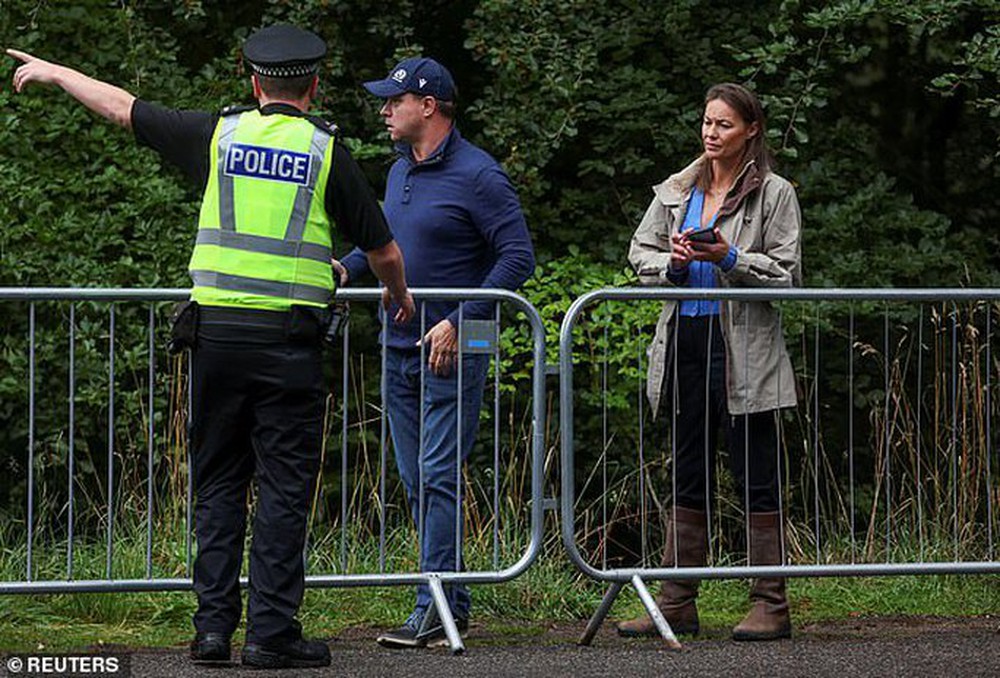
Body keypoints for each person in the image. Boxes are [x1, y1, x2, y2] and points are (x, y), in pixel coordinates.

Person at [8, 24, 415, 668]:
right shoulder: (325, 150)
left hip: (216, 339)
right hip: (289, 343)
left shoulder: (219, 135)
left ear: (254, 83)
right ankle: (270, 635)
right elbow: (384, 249)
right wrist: (397, 295)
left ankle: (212, 631)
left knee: (219, 483)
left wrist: (57, 71)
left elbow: (124, 107)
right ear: (313, 84)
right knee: (283, 489)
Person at [334, 57, 535, 649]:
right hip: (399, 340)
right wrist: (344, 269)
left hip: (461, 341)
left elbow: (518, 259)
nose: (383, 110)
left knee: (439, 474)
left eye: (393, 100)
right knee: (414, 474)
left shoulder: (480, 175)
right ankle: (451, 597)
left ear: (429, 106)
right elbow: (386, 245)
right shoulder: (400, 172)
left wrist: (460, 319)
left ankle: (433, 605)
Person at [619, 83, 801, 641]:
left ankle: (770, 602)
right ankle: (677, 599)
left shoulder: (775, 193)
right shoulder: (678, 189)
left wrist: (731, 256)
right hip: (684, 342)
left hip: (744, 348)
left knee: (754, 474)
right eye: (706, 122)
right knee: (686, 468)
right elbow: (638, 253)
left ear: (750, 131)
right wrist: (672, 264)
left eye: (723, 124)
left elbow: (788, 274)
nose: (710, 133)